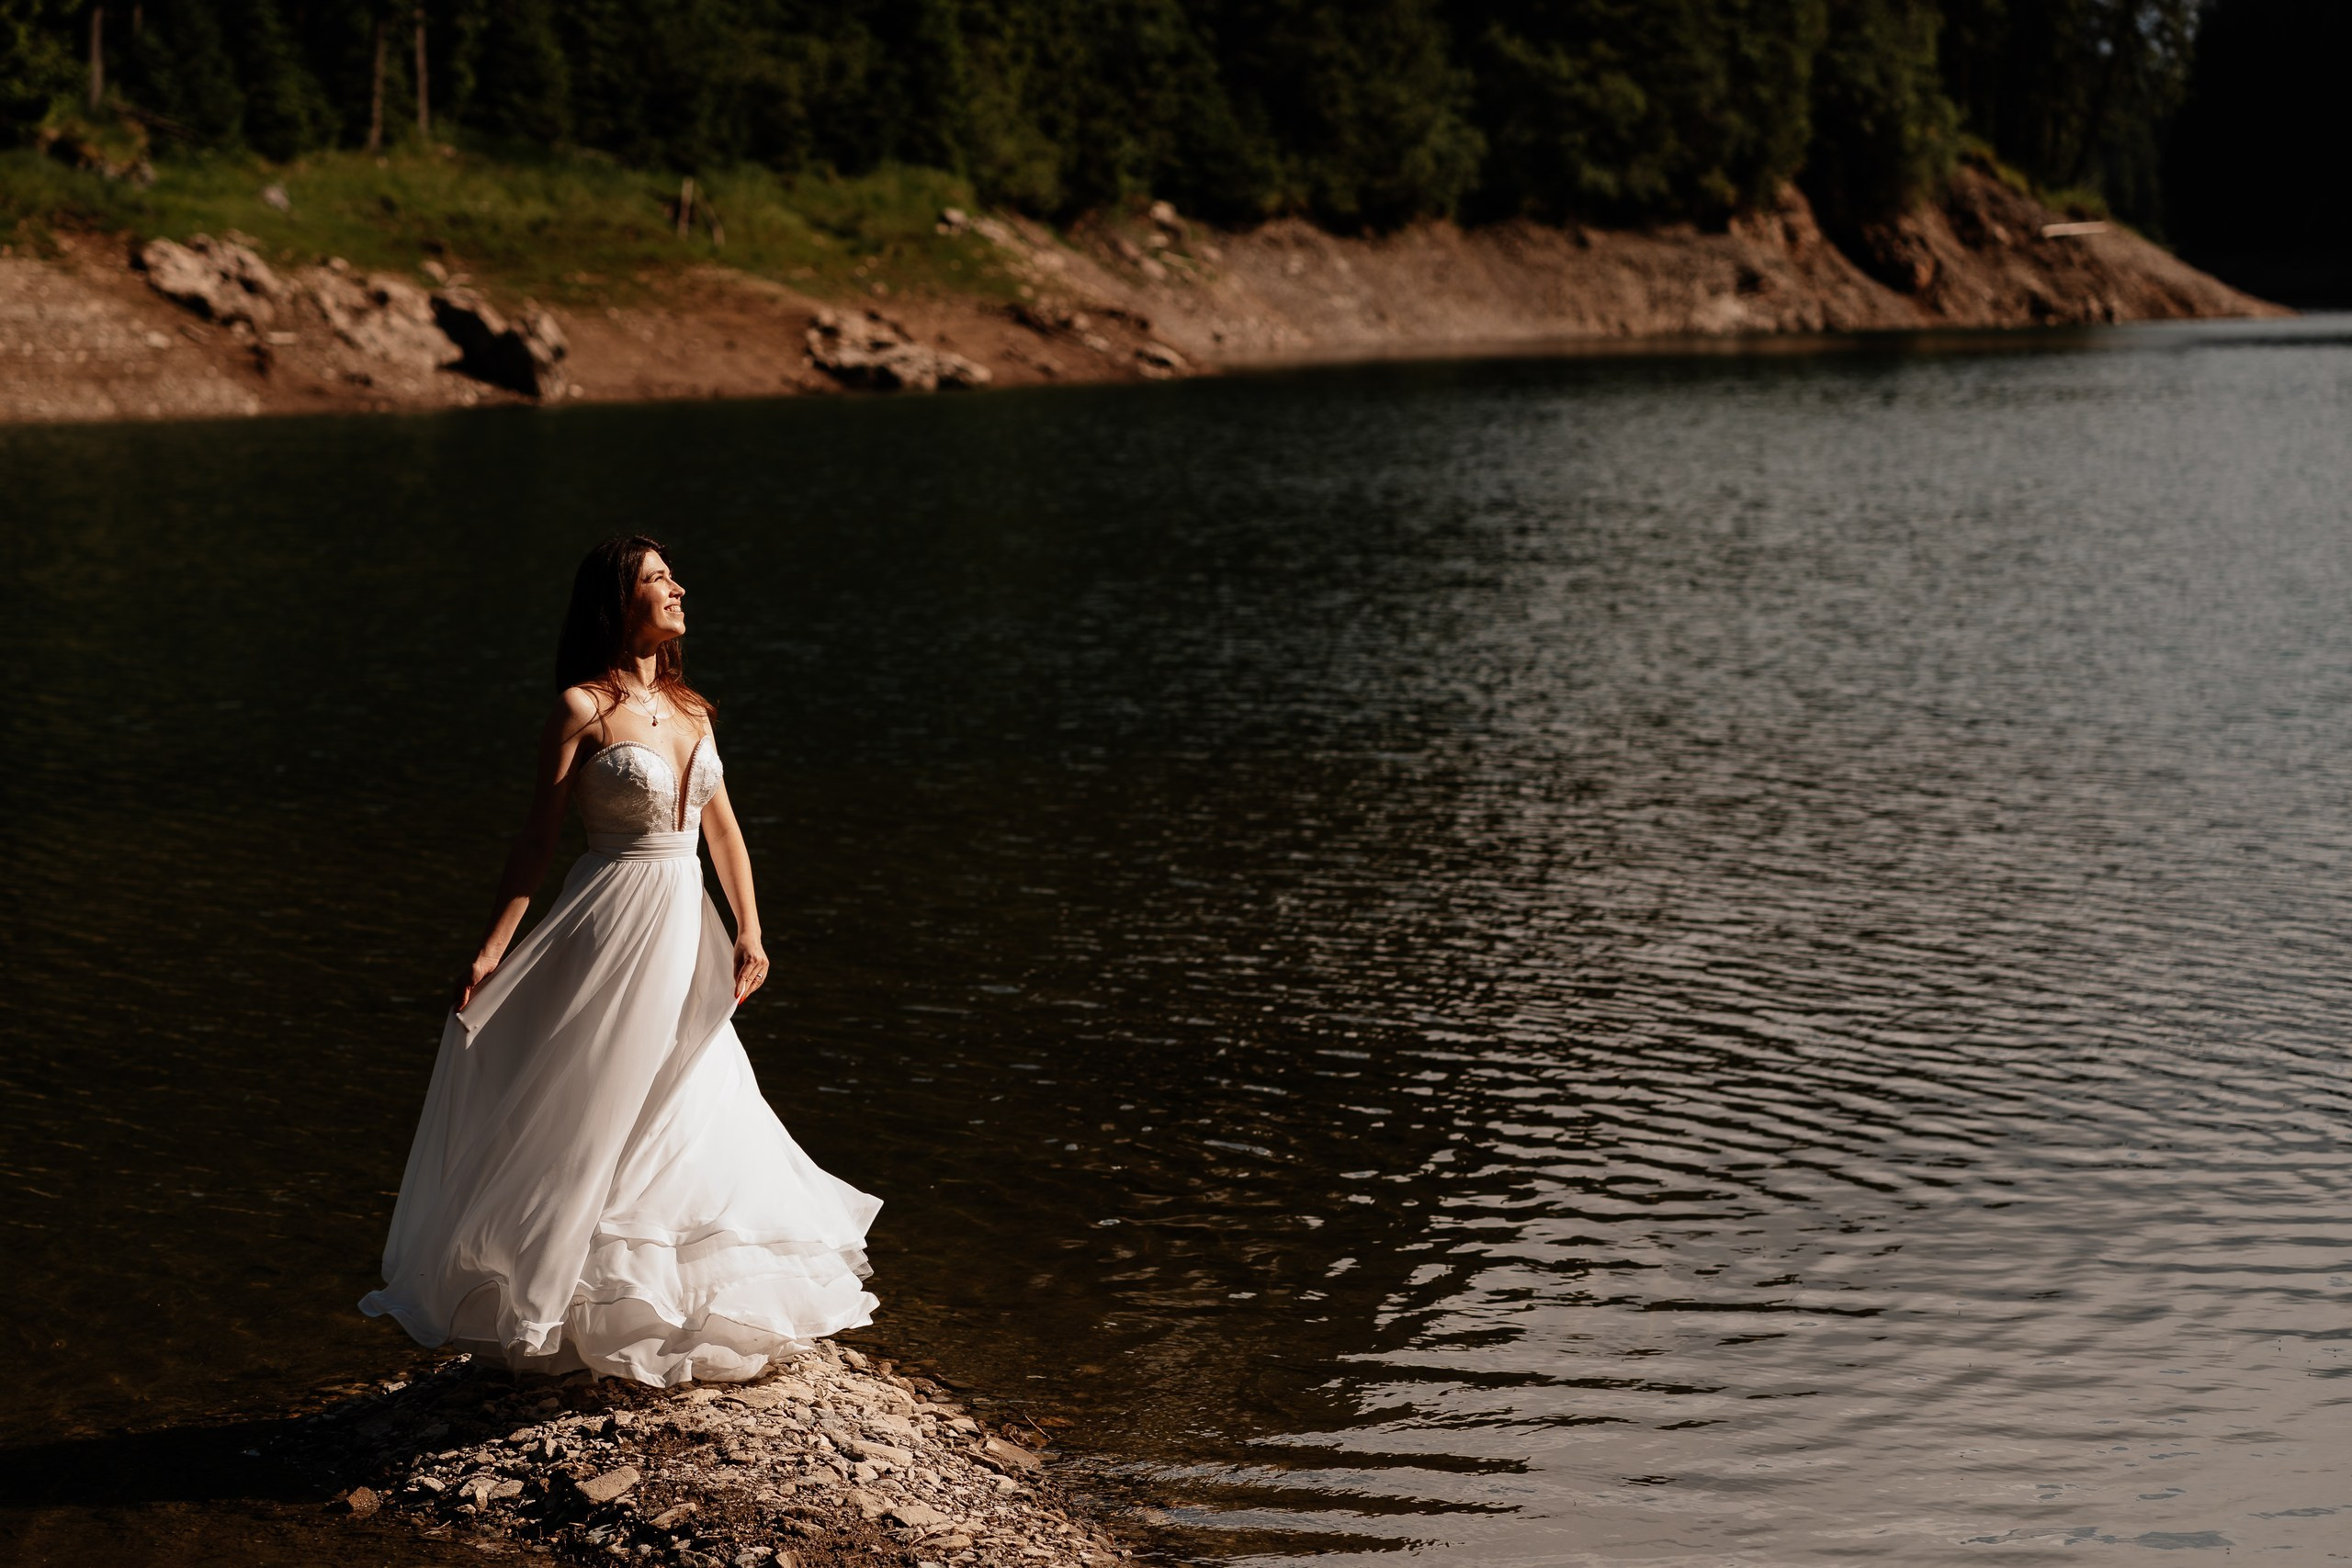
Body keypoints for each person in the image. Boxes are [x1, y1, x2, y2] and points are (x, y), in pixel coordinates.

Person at [359, 536, 880, 1384]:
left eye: (672, 575)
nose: (678, 588)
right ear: (617, 601)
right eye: (656, 578)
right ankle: (564, 1297)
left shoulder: (692, 709)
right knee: (598, 1098)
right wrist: (492, 950)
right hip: (612, 920)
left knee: (695, 1085)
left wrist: (750, 926)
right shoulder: (580, 711)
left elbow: (723, 830)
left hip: (688, 919)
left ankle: (676, 1304)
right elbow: (537, 840)